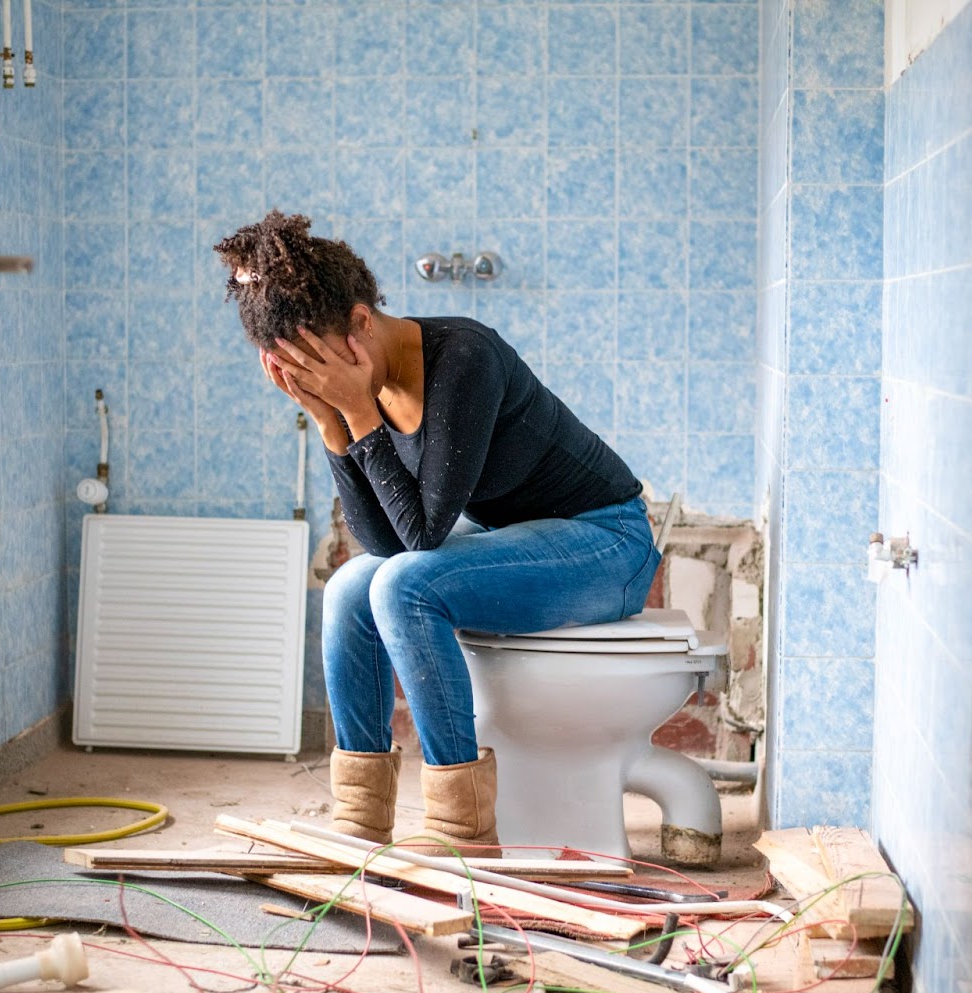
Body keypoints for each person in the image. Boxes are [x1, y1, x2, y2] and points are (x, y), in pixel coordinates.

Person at [214, 210, 660, 854]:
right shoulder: (371, 381)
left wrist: (356, 411)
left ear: (361, 324)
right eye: (300, 370)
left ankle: (462, 828)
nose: (322, 381)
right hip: (524, 543)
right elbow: (386, 545)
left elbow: (418, 542)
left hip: (608, 545)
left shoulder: (463, 359)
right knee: (348, 588)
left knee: (403, 589)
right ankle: (362, 823)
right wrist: (332, 423)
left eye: (324, 363)